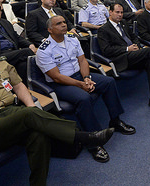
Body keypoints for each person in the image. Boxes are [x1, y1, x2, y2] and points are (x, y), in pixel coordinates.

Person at [0, 36, 114, 186]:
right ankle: (85, 137)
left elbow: (19, 86)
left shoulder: (0, 65)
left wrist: (32, 108)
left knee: (37, 133)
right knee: (27, 114)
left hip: (11, 115)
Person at [36, 15, 135, 163]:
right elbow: (56, 77)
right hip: (61, 83)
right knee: (84, 98)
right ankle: (93, 140)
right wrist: (80, 84)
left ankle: (115, 120)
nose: (64, 25)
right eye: (59, 24)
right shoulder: (44, 50)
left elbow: (82, 60)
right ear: (50, 30)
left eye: (64, 22)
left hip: (79, 75)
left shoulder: (72, 39)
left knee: (108, 82)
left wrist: (87, 77)